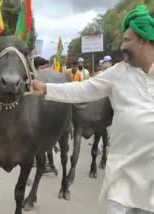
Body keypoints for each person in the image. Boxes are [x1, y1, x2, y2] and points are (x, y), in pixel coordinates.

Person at [31, 5, 154, 214]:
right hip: (122, 182)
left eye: (127, 40)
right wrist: (46, 89)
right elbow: (83, 89)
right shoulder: (117, 73)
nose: (122, 46)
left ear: (144, 40)